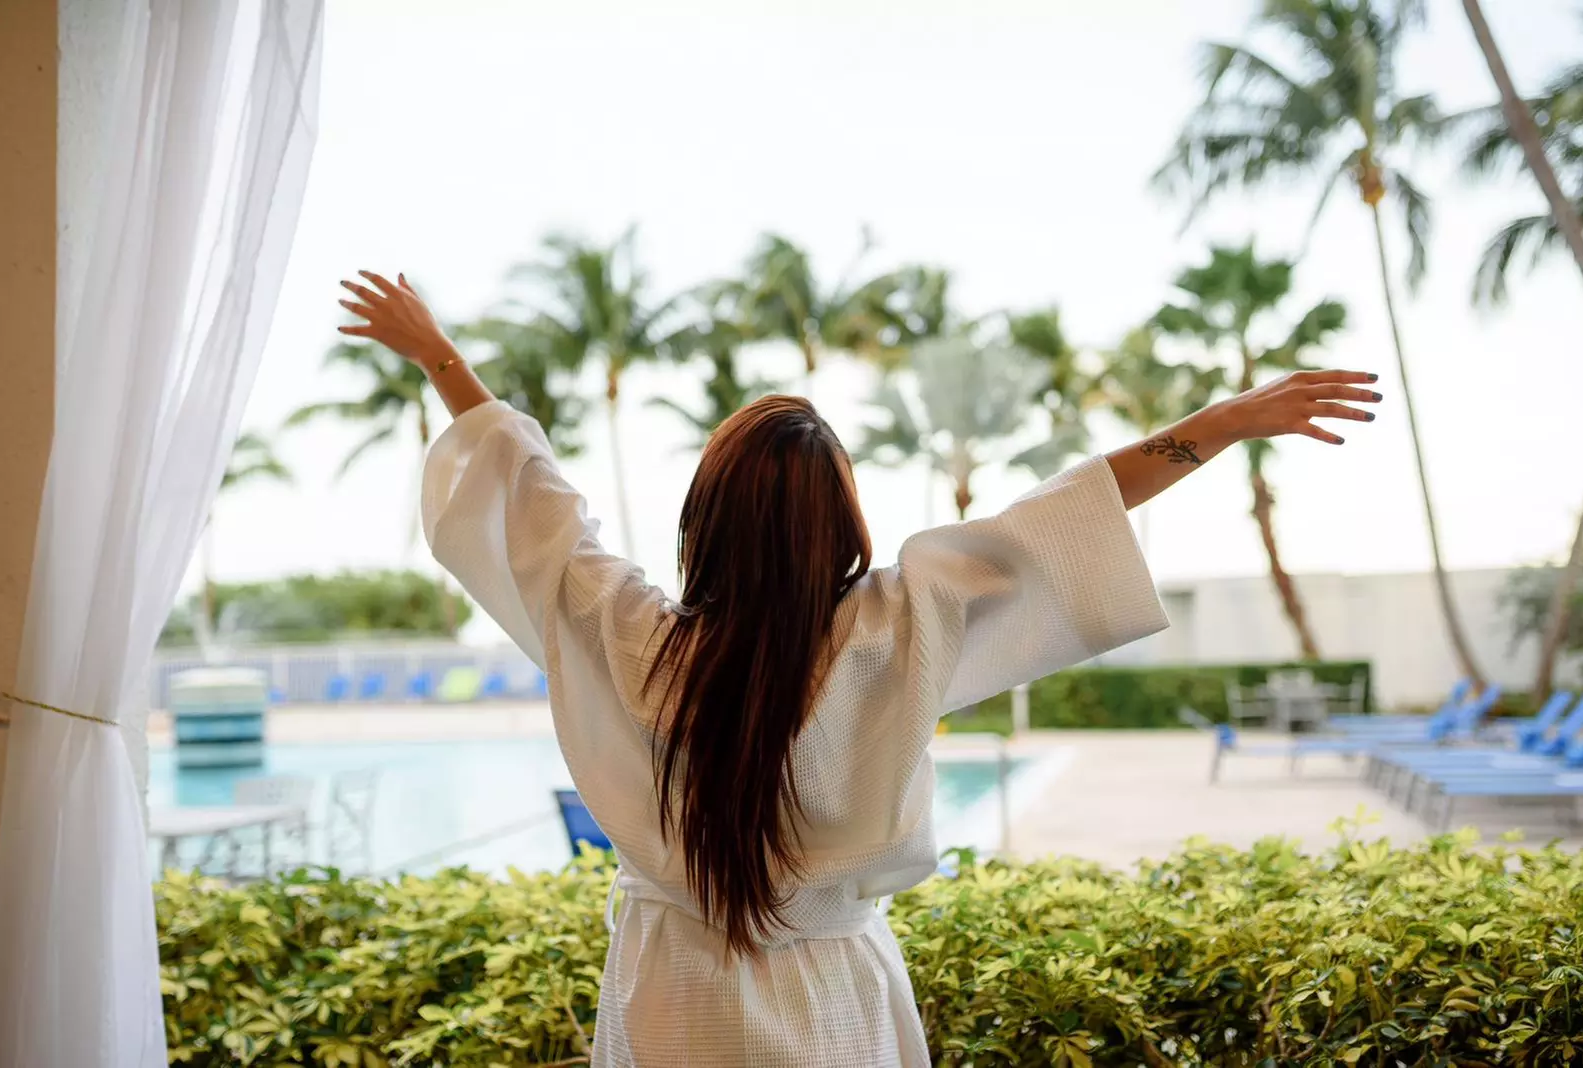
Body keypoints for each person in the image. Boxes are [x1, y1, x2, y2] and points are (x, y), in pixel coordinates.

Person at [336, 269, 1381, 1067]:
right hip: (835, 993)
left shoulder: (631, 636)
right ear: (839, 522)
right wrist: (1220, 424)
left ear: (705, 520)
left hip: (671, 994)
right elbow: (1054, 524)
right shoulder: (896, 629)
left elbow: (534, 501)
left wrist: (440, 356)